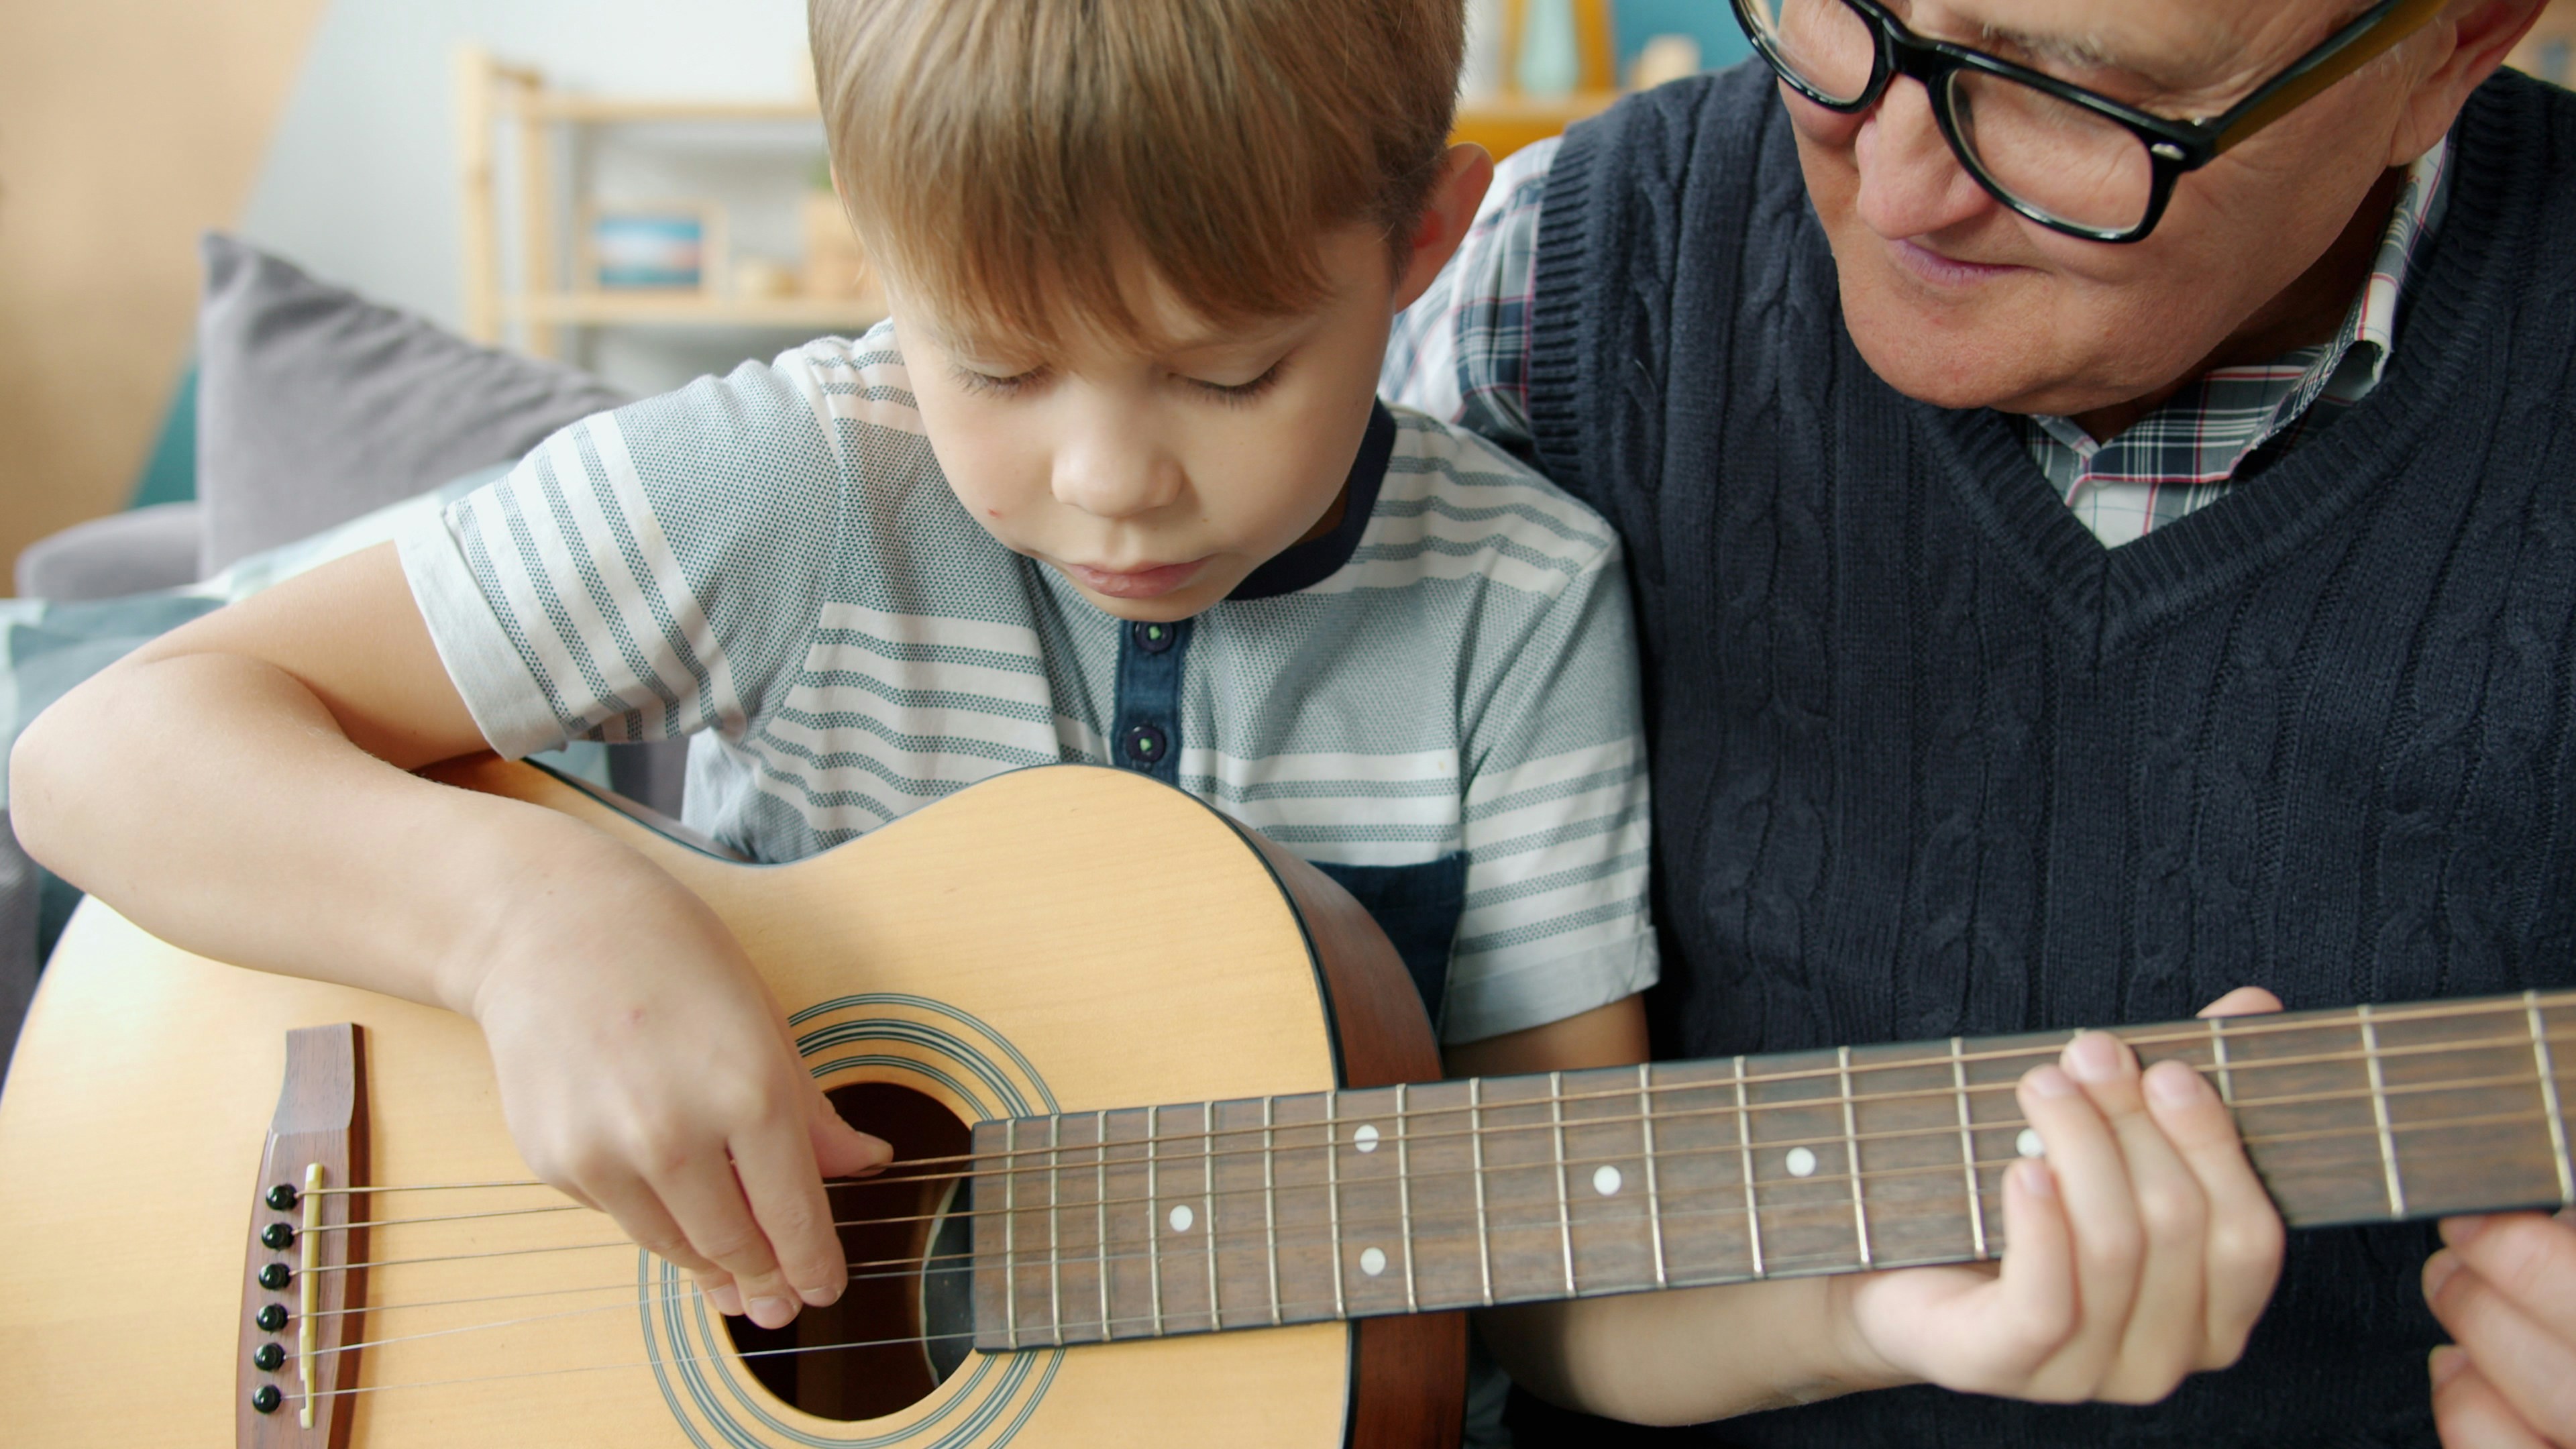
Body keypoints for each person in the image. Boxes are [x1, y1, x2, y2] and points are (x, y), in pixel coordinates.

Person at [7, 0, 1666, 1367]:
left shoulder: (1522, 602)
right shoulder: (798, 482)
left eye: (1228, 372)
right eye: (997, 364)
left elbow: (1561, 1255)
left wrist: (1861, 1305)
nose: (1108, 478)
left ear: (1424, 245)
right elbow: (102, 748)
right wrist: (515, 922)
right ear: (878, 256)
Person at [1386, 0, 2576, 1444]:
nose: (1894, 187)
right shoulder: (1556, 285)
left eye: (2075, 99)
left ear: (2450, 49)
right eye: (1847, 18)